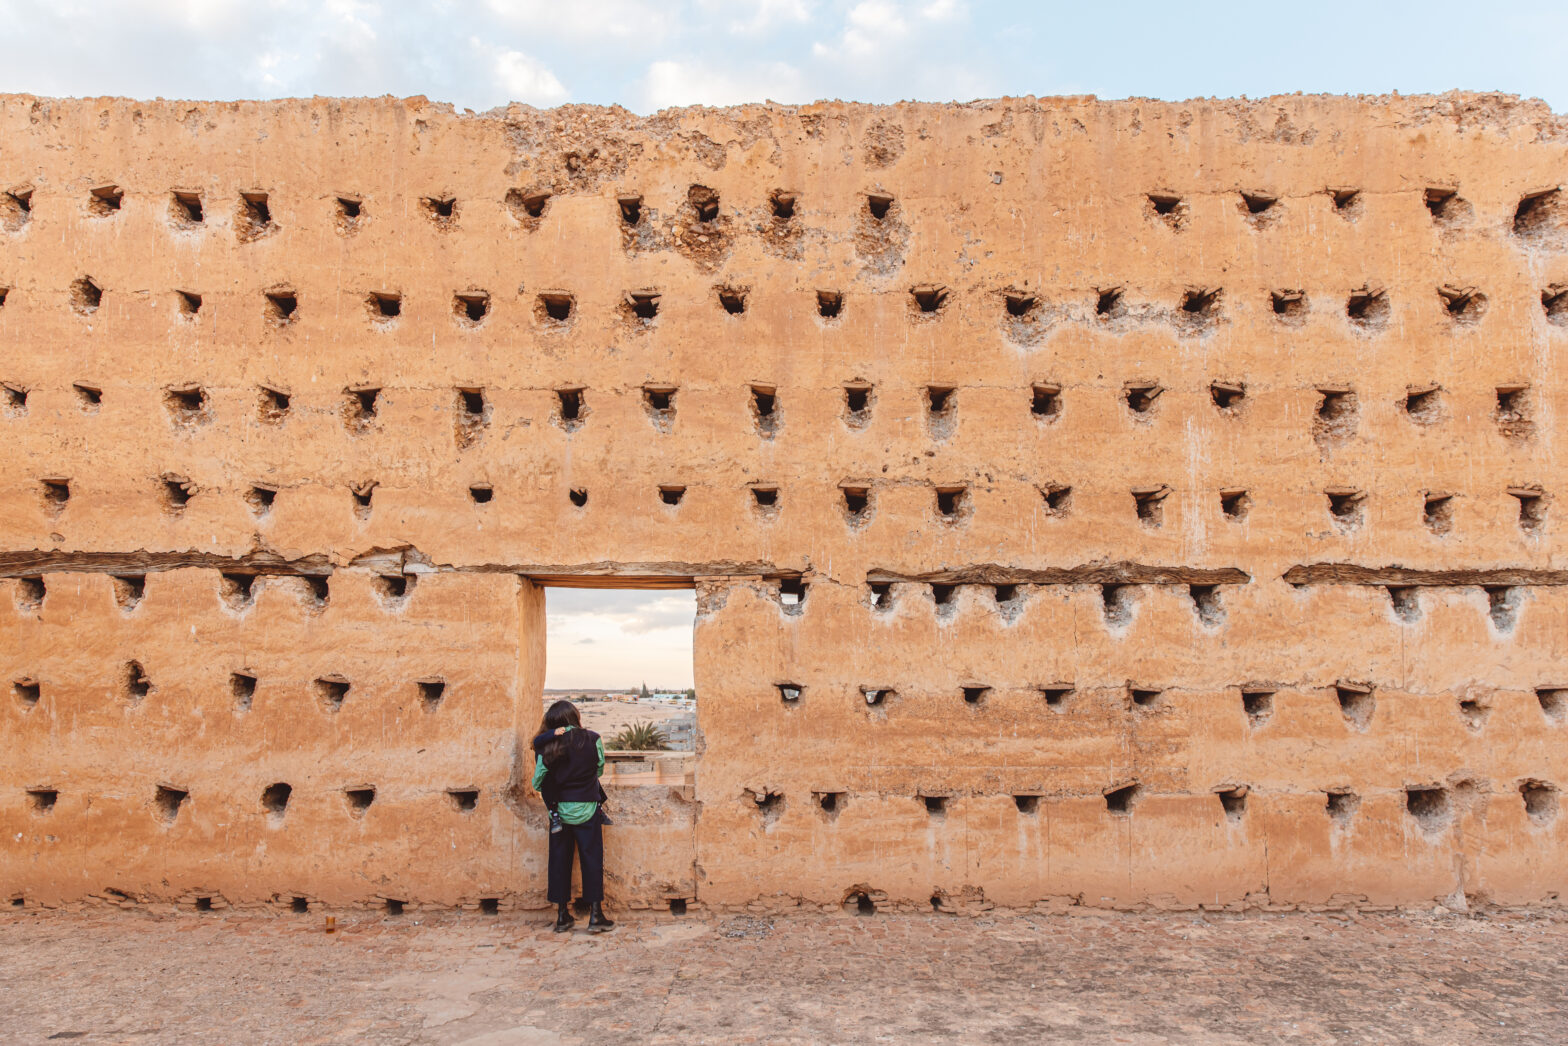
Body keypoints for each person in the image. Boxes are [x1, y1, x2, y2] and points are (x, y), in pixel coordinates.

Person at [531, 699, 615, 933]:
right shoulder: (593, 738)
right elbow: (599, 768)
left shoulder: (547, 744)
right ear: (576, 717)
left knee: (559, 860)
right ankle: (596, 915)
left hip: (559, 811)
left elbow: (537, 782)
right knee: (592, 859)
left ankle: (562, 916)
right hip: (587, 808)